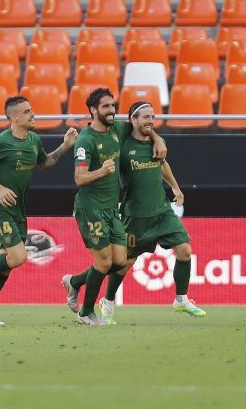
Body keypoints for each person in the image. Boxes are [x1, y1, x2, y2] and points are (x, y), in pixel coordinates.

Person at [0, 96, 77, 326]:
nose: (33, 114)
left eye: (31, 110)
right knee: (18, 257)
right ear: (13, 117)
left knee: (8, 262)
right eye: (27, 111)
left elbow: (45, 164)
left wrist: (64, 146)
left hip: (17, 209)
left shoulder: (33, 140)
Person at [61, 87, 166, 326]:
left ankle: (75, 282)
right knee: (105, 262)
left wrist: (158, 138)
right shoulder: (86, 140)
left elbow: (144, 128)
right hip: (91, 210)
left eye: (112, 105)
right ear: (93, 110)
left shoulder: (117, 128)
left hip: (112, 209)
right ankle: (86, 313)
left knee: (120, 261)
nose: (112, 110)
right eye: (106, 106)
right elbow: (79, 178)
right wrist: (103, 171)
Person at [98, 102, 205, 324]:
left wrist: (175, 186)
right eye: (145, 117)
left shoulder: (157, 144)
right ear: (133, 120)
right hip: (135, 215)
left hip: (162, 210)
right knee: (125, 264)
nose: (150, 120)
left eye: (153, 117)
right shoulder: (122, 145)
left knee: (185, 250)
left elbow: (163, 165)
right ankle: (107, 301)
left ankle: (181, 298)